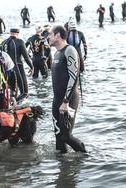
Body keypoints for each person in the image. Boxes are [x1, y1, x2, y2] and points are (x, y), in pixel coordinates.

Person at [47, 25, 86, 154]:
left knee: (66, 136)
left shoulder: (70, 50)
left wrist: (66, 101)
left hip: (68, 100)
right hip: (57, 100)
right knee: (58, 137)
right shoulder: (57, 53)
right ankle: (64, 170)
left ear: (58, 35)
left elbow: (74, 77)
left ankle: (85, 157)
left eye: (50, 34)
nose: (48, 37)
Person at [1, 28, 34, 103]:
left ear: (10, 33)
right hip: (17, 68)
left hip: (6, 71)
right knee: (24, 93)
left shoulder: (3, 43)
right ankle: (16, 108)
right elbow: (26, 57)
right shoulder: (19, 42)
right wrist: (32, 67)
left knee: (13, 92)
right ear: (17, 33)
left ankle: (10, 107)